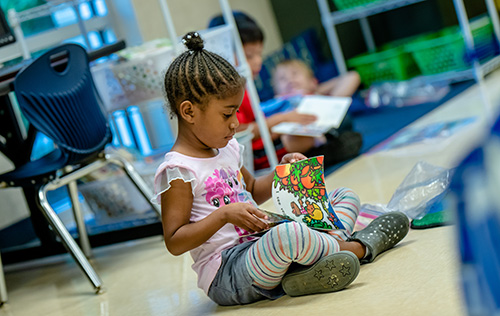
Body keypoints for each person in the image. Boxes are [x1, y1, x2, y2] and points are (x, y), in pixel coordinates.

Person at [154, 31, 410, 306]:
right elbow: (175, 240)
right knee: (288, 236)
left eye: (236, 113)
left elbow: (251, 190)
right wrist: (224, 215)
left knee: (343, 196)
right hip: (228, 272)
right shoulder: (179, 170)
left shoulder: (226, 148)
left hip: (262, 246)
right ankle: (359, 247)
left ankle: (307, 268)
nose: (234, 124)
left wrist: (281, 173)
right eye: (227, 115)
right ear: (189, 112)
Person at [208, 12, 362, 170]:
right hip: (258, 154)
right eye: (249, 56)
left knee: (344, 120)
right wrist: (284, 119)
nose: (258, 62)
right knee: (303, 137)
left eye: (259, 54)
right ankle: (318, 156)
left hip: (276, 138)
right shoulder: (228, 93)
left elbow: (351, 77)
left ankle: (321, 149)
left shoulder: (244, 88)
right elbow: (241, 132)